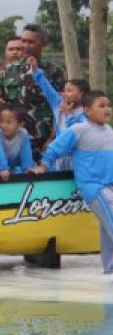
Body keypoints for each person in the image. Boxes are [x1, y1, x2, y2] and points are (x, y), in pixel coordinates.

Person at [30, 90, 113, 275]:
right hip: (95, 187)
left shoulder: (109, 131)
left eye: (108, 105)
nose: (107, 109)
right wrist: (43, 165)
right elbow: (55, 148)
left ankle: (110, 270)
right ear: (87, 111)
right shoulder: (79, 130)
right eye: (101, 105)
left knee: (107, 229)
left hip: (110, 186)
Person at [0, 24, 67, 156]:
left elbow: (62, 109)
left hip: (45, 143)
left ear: (43, 44)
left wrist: (52, 139)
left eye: (31, 42)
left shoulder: (55, 72)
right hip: (15, 142)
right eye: (23, 41)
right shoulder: (8, 70)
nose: (25, 45)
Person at [31, 60, 89, 139]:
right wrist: (35, 69)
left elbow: (77, 134)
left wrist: (68, 113)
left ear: (81, 94)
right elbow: (47, 88)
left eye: (69, 91)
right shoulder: (59, 103)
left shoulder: (87, 113)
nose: (65, 93)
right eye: (64, 90)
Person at [0, 107, 34, 175]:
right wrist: (3, 169)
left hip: (14, 169)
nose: (4, 126)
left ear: (20, 124)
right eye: (1, 121)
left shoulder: (23, 134)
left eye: (9, 122)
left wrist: (27, 169)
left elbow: (26, 157)